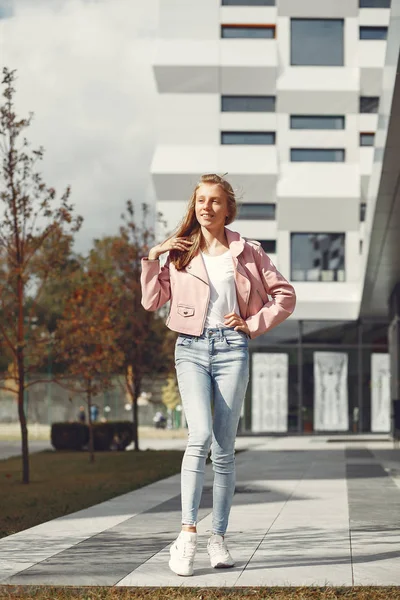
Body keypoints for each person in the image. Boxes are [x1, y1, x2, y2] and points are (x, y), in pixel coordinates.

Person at [140, 173, 296, 577]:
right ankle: (188, 535)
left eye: (214, 201)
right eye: (200, 201)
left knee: (224, 449)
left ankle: (219, 538)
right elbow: (151, 300)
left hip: (232, 349)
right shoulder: (179, 254)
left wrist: (253, 323)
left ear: (227, 208)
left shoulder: (248, 252)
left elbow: (285, 295)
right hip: (190, 349)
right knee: (200, 437)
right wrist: (153, 255)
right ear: (193, 206)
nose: (205, 207)